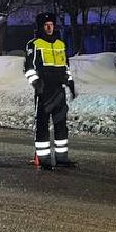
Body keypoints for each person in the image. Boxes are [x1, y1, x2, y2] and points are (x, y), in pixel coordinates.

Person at [23, 11, 76, 169]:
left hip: (59, 91)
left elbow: (66, 67)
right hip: (44, 91)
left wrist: (70, 83)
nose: (49, 27)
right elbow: (28, 68)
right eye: (46, 25)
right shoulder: (34, 44)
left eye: (51, 25)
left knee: (61, 126)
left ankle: (62, 159)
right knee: (42, 126)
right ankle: (44, 160)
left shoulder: (60, 44)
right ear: (40, 27)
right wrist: (37, 83)